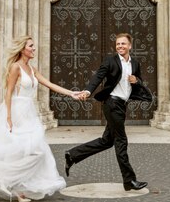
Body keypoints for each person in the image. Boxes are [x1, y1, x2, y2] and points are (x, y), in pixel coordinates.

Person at [0, 35, 80, 202]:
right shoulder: (15, 67)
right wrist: (9, 117)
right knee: (19, 150)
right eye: (31, 46)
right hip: (17, 112)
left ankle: (12, 182)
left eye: (33, 46)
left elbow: (50, 84)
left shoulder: (32, 69)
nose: (34, 48)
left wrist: (72, 93)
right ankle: (12, 184)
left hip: (29, 113)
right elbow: (8, 93)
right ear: (22, 49)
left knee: (35, 151)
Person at [64, 33, 152, 191]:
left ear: (130, 46)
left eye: (123, 44)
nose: (120, 46)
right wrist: (88, 91)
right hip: (112, 103)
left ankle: (73, 155)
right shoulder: (110, 61)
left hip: (122, 105)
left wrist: (137, 81)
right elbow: (98, 76)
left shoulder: (135, 63)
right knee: (121, 141)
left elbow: (139, 82)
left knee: (107, 141)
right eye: (118, 44)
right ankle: (129, 180)